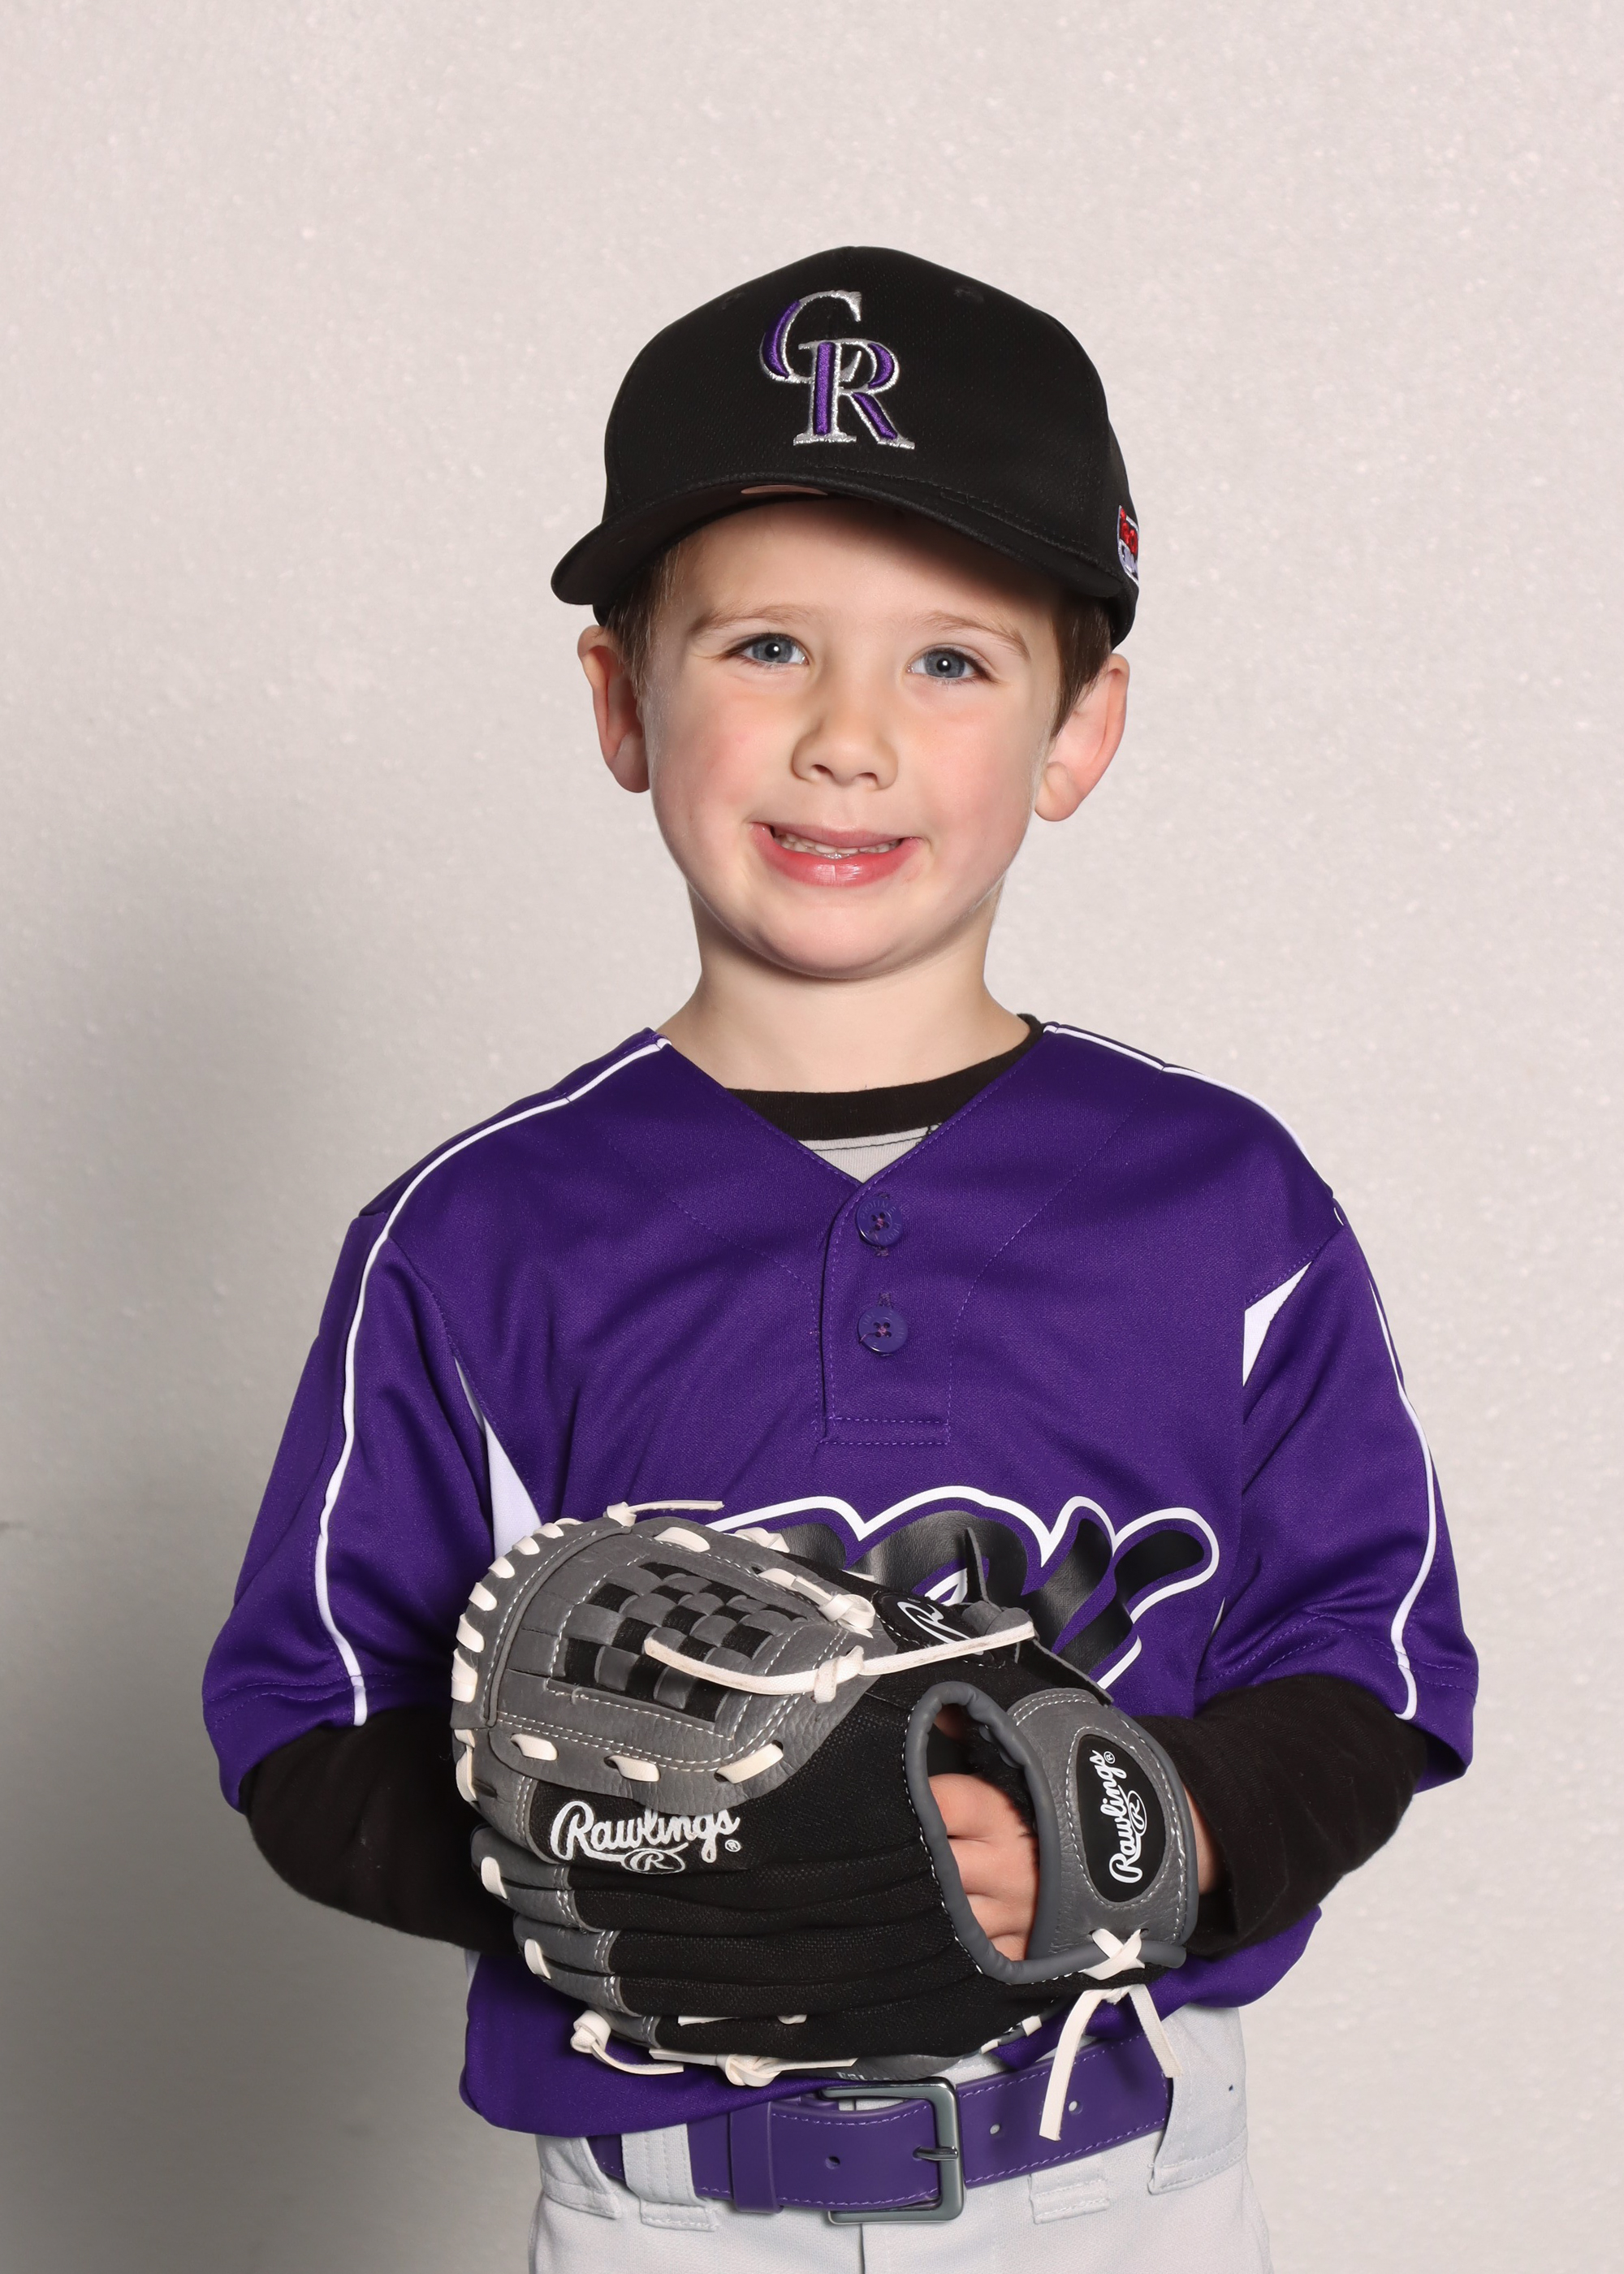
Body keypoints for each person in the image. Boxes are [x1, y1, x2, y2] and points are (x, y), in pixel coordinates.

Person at [204, 246, 1476, 2270]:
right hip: (667, 2214)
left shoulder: (1221, 1200)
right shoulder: (479, 1233)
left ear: (1078, 728)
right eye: (767, 645)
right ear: (623, 699)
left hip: (1119, 2192)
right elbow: (300, 1718)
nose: (846, 737)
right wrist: (645, 1848)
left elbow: (1371, 1659)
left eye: (950, 660)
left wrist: (1118, 1821)